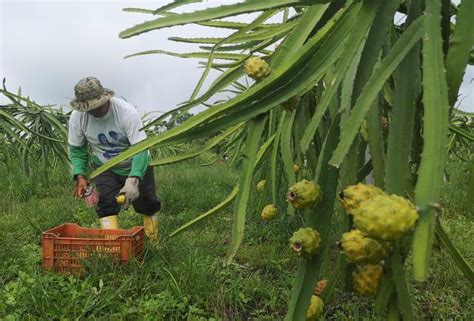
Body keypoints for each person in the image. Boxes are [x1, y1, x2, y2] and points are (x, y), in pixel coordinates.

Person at [68, 76, 160, 239]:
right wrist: (80, 175)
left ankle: (153, 239)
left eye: (97, 106)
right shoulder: (78, 117)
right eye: (89, 108)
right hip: (105, 167)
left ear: (105, 99)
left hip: (136, 163)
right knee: (106, 203)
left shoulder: (126, 113)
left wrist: (134, 178)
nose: (94, 111)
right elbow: (77, 150)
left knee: (147, 203)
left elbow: (140, 149)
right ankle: (113, 245)